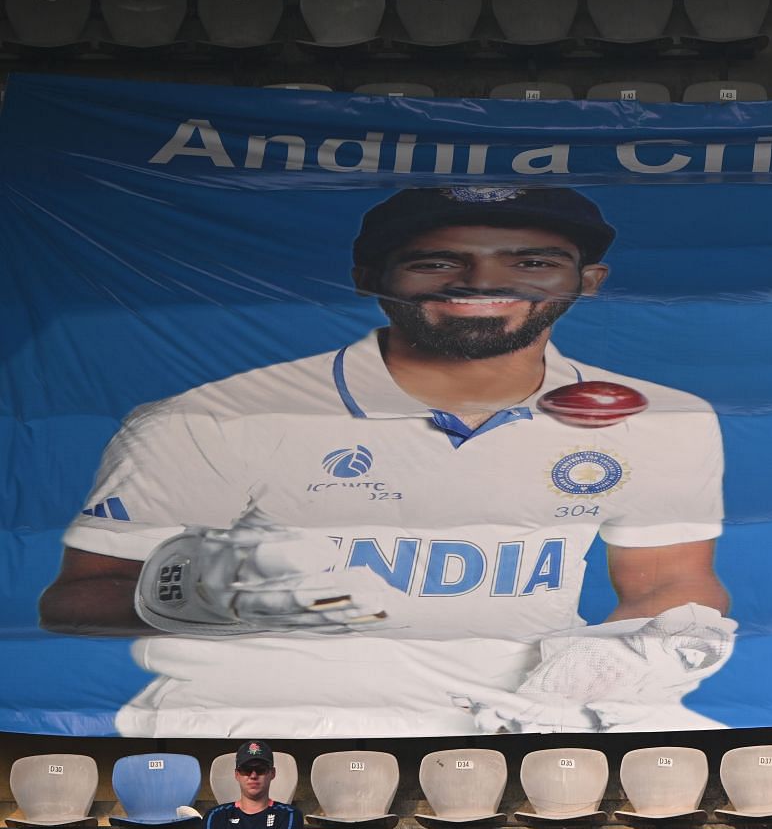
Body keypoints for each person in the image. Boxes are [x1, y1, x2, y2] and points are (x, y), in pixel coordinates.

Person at [42, 185, 731, 739]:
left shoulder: (659, 418)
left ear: (590, 280)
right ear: (368, 276)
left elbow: (673, 582)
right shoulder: (213, 418)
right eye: (436, 261)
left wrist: (627, 655)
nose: (482, 282)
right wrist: (228, 603)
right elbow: (75, 597)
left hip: (516, 720)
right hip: (268, 727)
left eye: (532, 262)